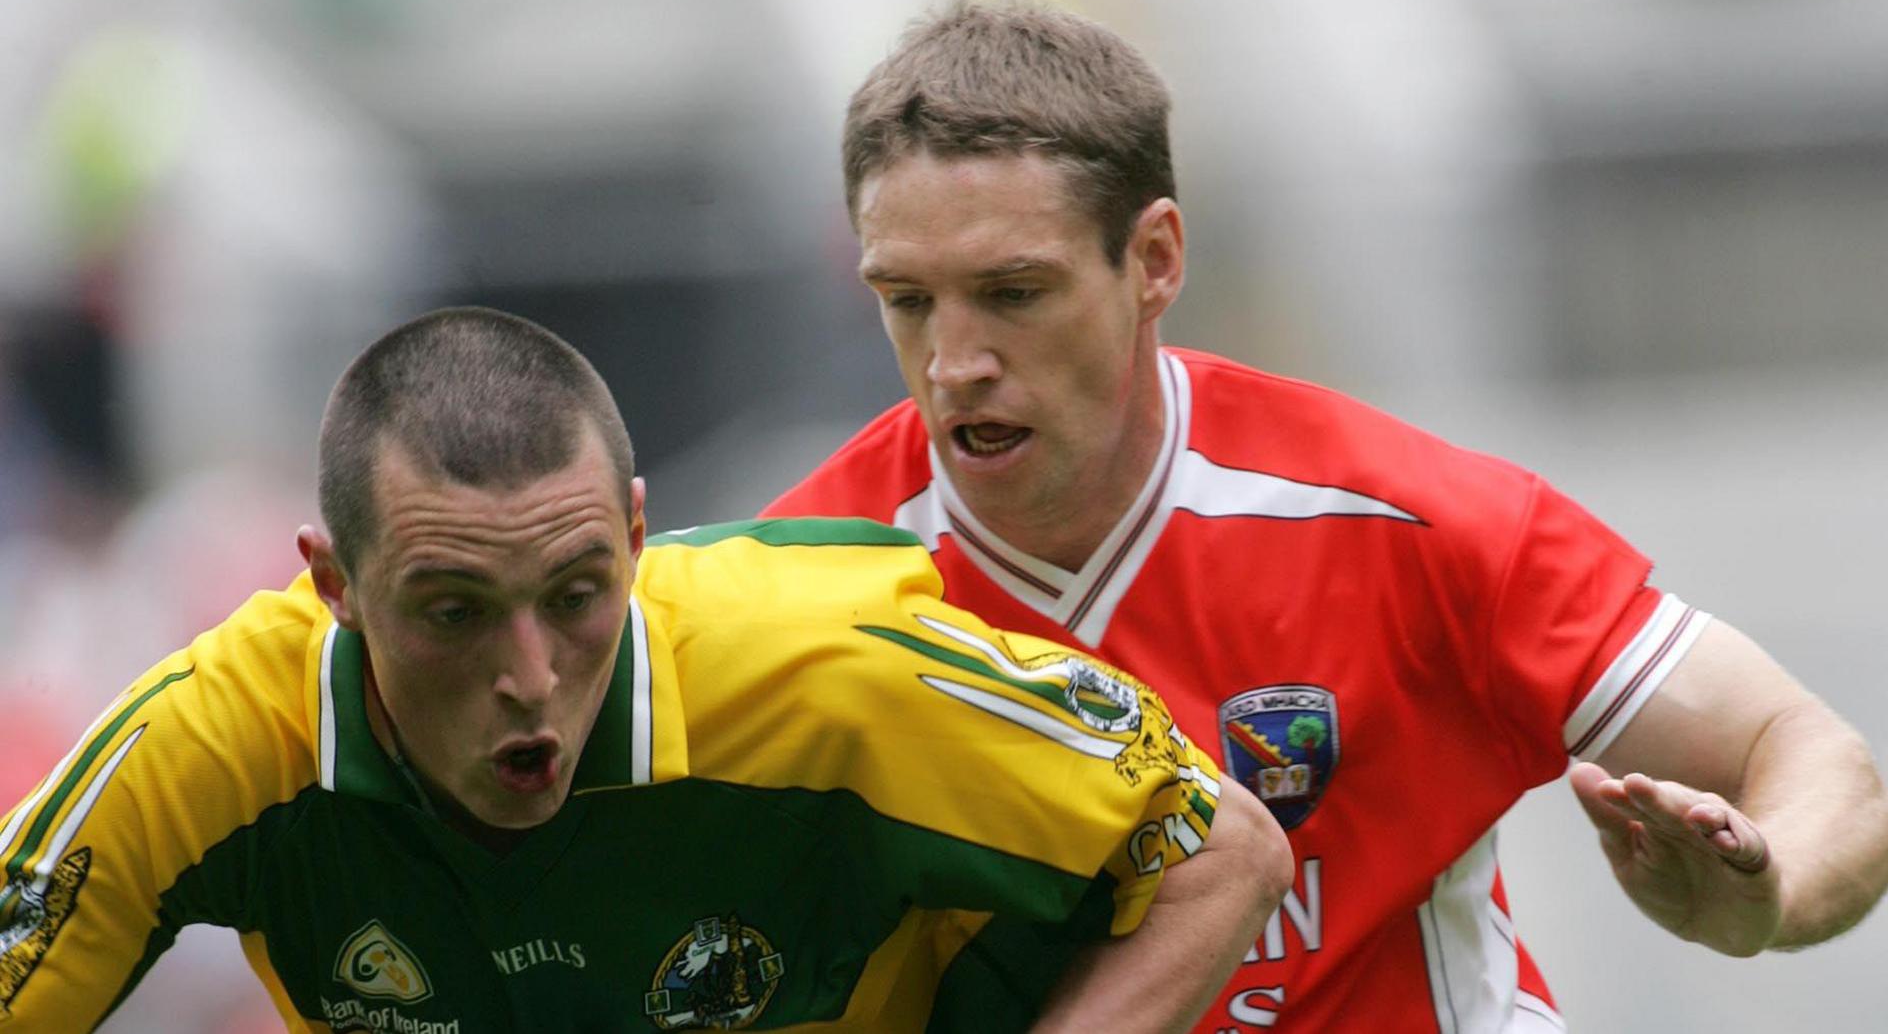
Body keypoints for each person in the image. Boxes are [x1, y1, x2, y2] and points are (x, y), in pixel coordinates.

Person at [764, 0, 1888, 1033]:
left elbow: (1813, 760)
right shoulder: (802, 592)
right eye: (906, 300)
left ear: (1154, 258)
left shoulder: (1402, 523)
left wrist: (1764, 896)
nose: (954, 360)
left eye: (1014, 293)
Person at [0, 307, 1291, 1032]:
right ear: (333, 582)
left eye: (575, 596)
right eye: (453, 609)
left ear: (634, 533)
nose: (527, 673)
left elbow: (1220, 851)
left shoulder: (833, 676)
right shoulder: (213, 743)